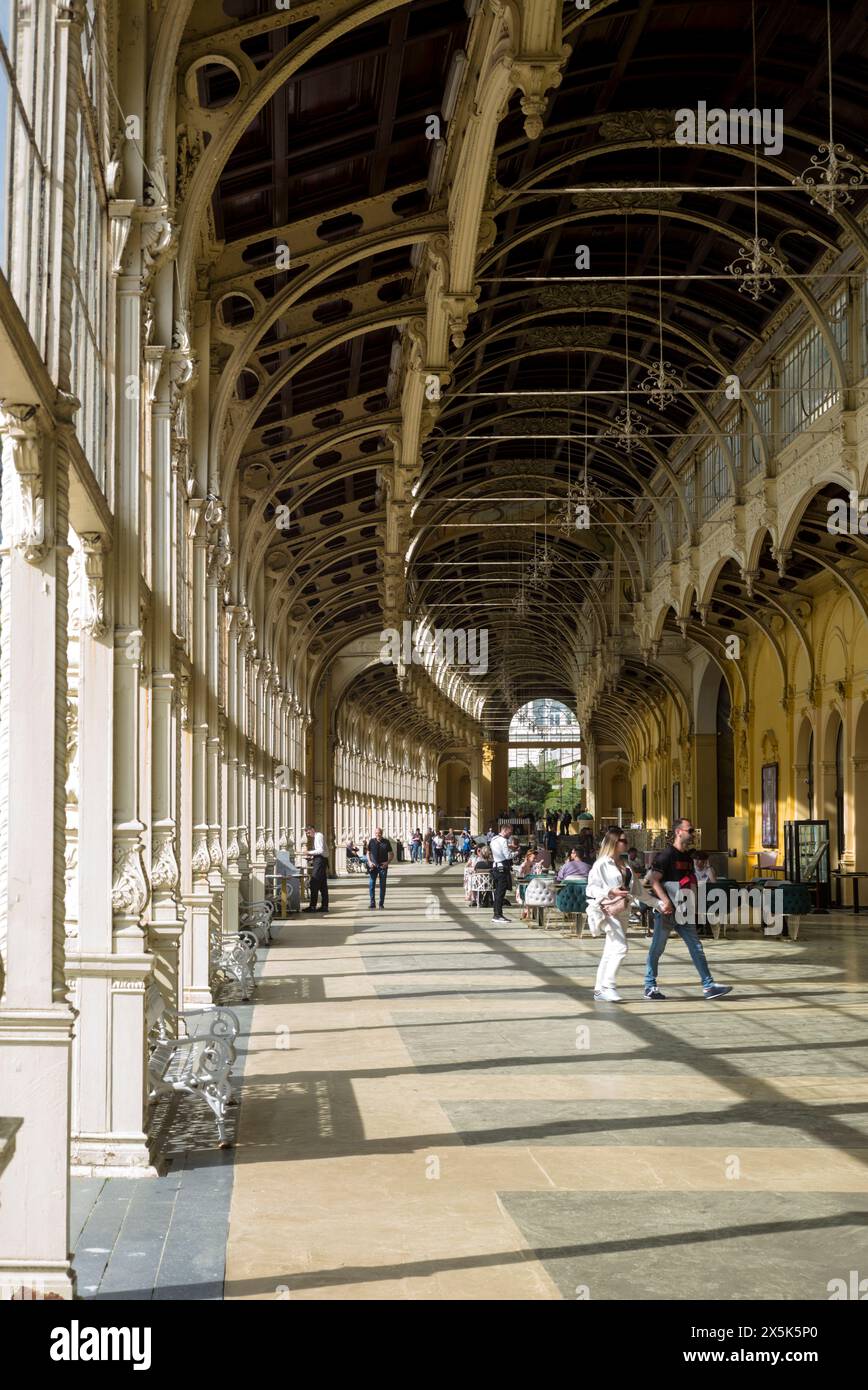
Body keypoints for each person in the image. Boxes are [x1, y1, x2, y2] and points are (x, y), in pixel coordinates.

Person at [644, 818, 732, 1001]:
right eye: (690, 830)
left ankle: (708, 986)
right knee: (657, 948)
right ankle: (649, 986)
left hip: (684, 910)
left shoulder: (686, 857)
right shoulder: (666, 855)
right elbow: (653, 880)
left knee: (696, 947)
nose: (693, 834)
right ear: (678, 832)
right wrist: (665, 901)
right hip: (667, 911)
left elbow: (689, 882)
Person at [586, 830, 633, 1001]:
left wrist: (658, 903)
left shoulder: (625, 864)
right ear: (613, 842)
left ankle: (599, 990)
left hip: (623, 911)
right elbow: (590, 889)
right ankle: (608, 986)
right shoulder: (601, 864)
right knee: (621, 947)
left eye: (626, 841)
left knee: (610, 950)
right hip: (607, 910)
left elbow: (636, 891)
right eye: (623, 840)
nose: (626, 843)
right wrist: (609, 891)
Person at [489, 823, 514, 924]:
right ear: (505, 830)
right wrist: (516, 852)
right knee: (500, 892)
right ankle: (497, 915)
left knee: (497, 891)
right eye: (509, 832)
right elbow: (507, 856)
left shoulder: (494, 839)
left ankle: (497, 913)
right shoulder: (503, 840)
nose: (510, 834)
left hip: (495, 867)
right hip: (502, 868)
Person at [302, 825, 329, 913]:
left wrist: (308, 852)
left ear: (312, 830)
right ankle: (324, 906)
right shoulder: (318, 836)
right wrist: (312, 857)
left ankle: (313, 906)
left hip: (320, 862)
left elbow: (320, 850)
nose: (308, 835)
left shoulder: (318, 836)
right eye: (307, 834)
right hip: (320, 860)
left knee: (314, 882)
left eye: (309, 832)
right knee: (322, 885)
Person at [366, 826, 393, 909]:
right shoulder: (371, 841)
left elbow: (392, 854)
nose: (378, 835)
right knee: (371, 884)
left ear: (382, 833)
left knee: (382, 885)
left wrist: (387, 863)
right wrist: (370, 862)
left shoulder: (386, 842)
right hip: (373, 866)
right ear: (375, 834)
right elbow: (368, 853)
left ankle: (381, 903)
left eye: (380, 833)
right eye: (377, 833)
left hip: (382, 866)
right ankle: (372, 902)